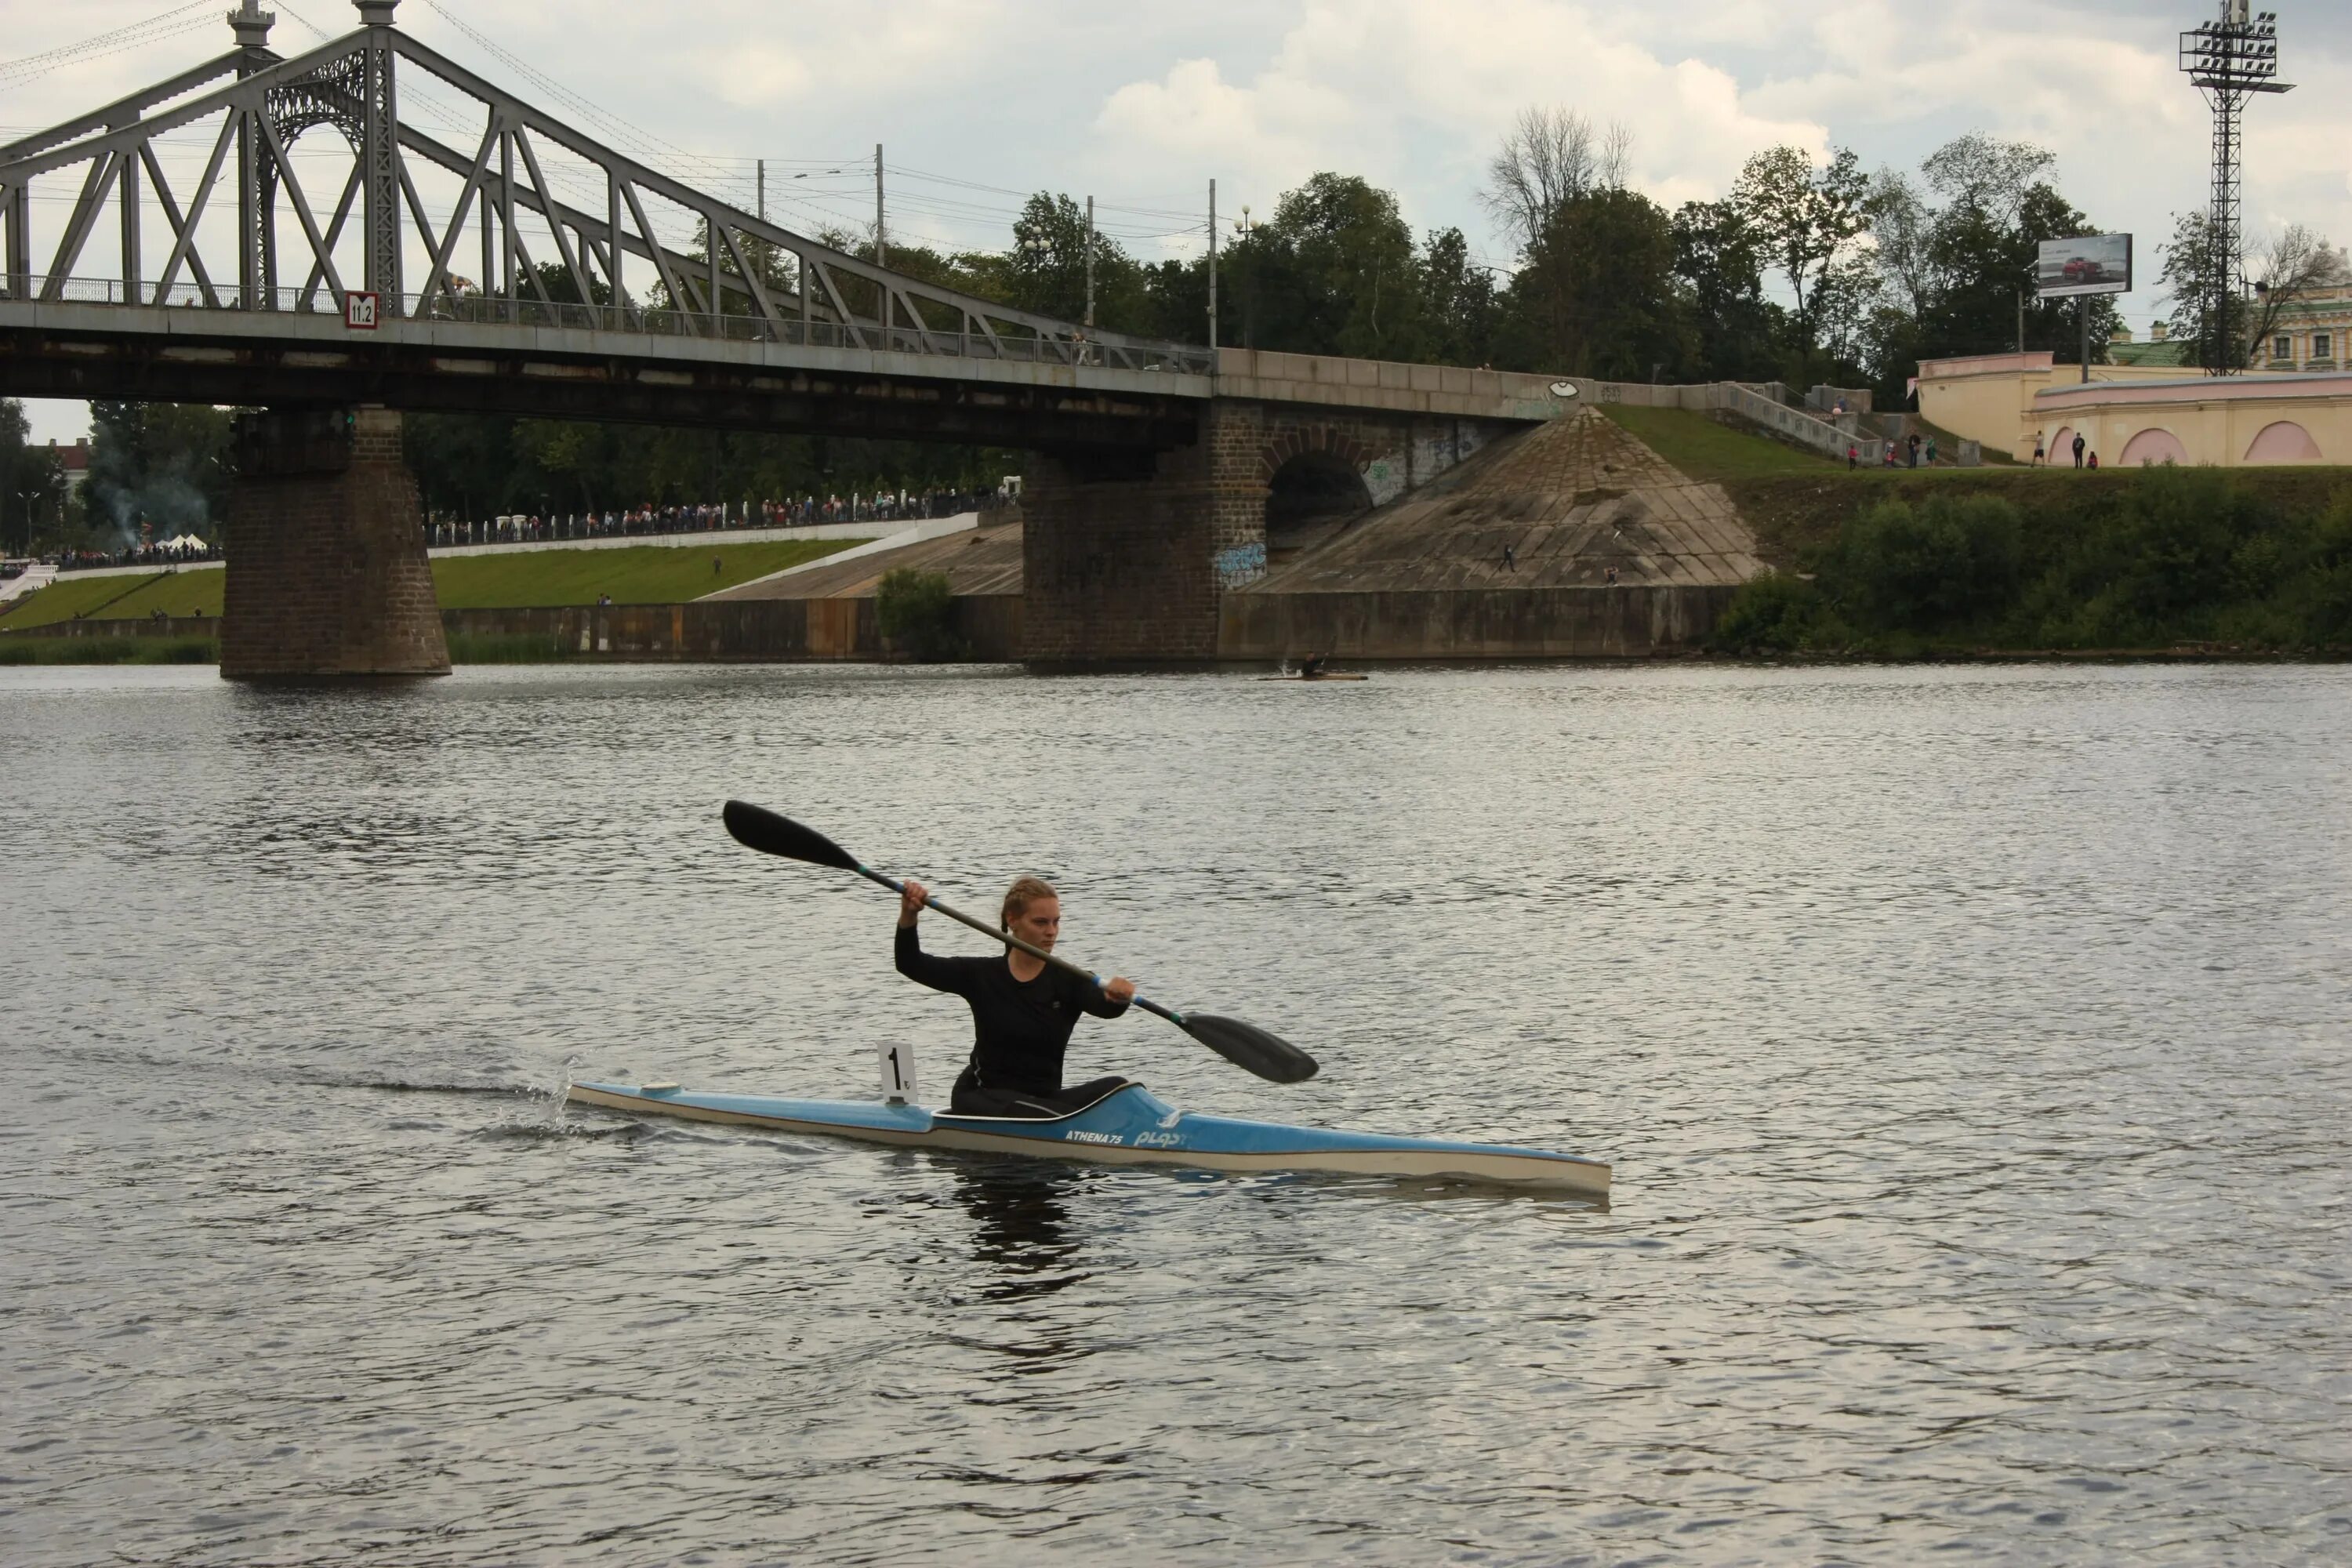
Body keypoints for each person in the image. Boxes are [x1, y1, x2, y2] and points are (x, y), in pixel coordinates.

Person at [895, 874, 1135, 1118]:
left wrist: (1117, 998)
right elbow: (910, 963)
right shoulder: (980, 975)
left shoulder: (1069, 979)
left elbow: (1104, 1007)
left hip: (1043, 1099)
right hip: (982, 1095)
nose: (1051, 932)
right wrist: (909, 916)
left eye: (1056, 922)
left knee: (1122, 1090)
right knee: (1052, 1114)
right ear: (1013, 920)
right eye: (1041, 923)